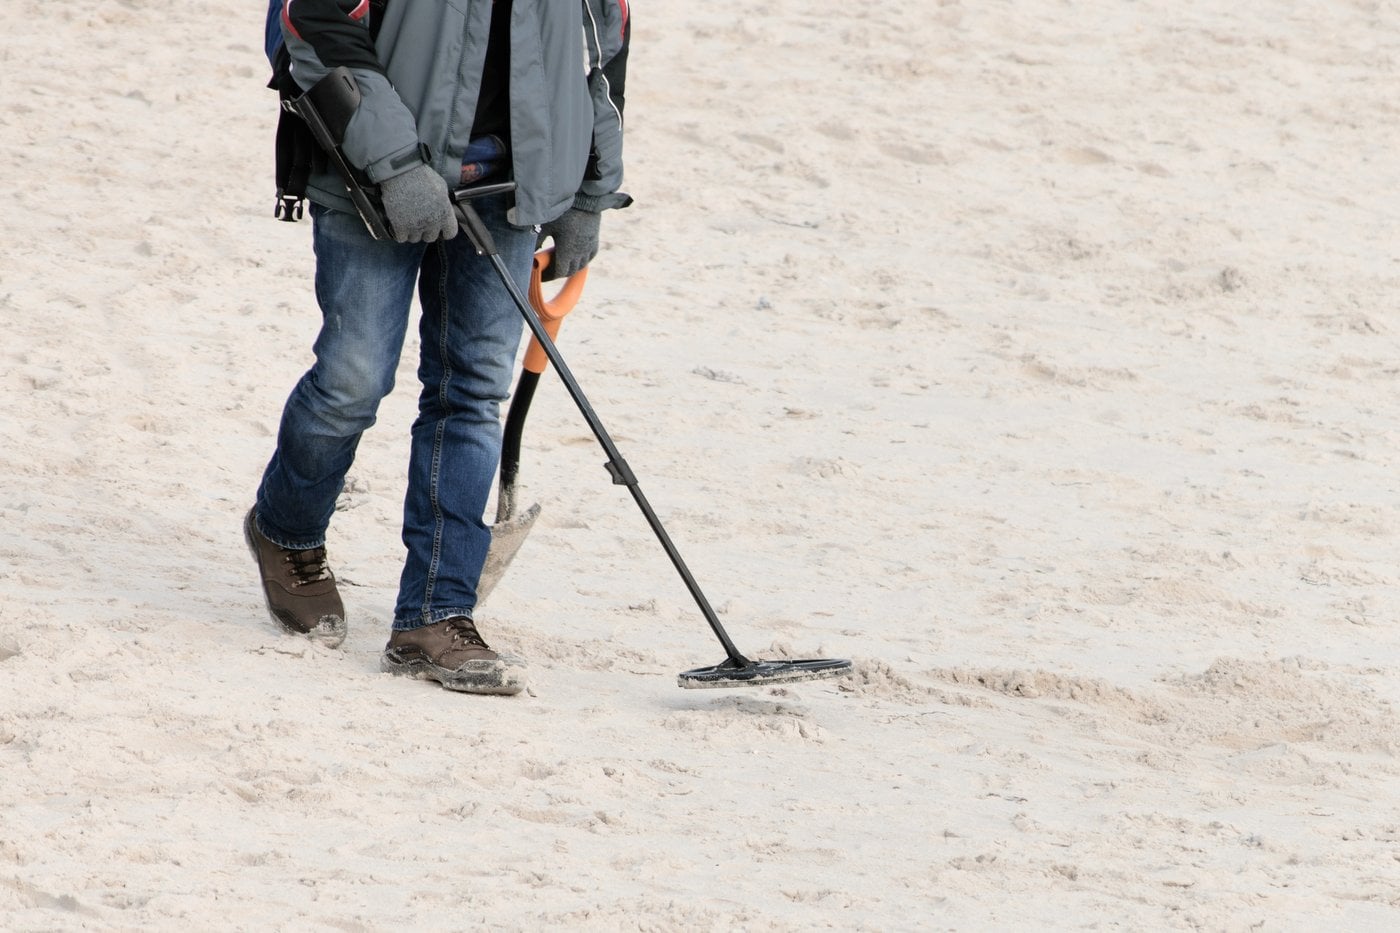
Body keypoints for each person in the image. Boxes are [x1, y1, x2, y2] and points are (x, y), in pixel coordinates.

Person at [244, 0, 631, 696]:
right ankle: (288, 534)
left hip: (512, 191)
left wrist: (588, 189)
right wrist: (393, 162)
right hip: (370, 175)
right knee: (352, 380)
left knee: (475, 393)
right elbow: (315, 23)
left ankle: (435, 615)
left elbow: (601, 51)